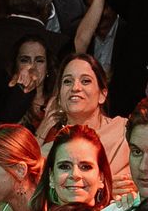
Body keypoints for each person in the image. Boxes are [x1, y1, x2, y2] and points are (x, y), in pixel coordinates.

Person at [38, 53, 130, 194]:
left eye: (85, 81)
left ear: (102, 94)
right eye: (67, 81)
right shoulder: (48, 152)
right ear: (59, 97)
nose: (75, 87)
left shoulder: (125, 131)